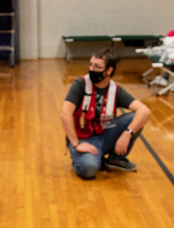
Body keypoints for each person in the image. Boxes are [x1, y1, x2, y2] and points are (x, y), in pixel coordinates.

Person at [59, 48, 151, 179]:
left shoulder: (115, 90)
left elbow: (144, 111)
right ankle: (84, 157)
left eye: (97, 67)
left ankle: (116, 159)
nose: (92, 69)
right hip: (82, 139)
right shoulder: (81, 84)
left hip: (105, 135)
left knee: (136, 117)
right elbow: (65, 114)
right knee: (89, 169)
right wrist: (76, 144)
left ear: (109, 71)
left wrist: (127, 133)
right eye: (91, 65)